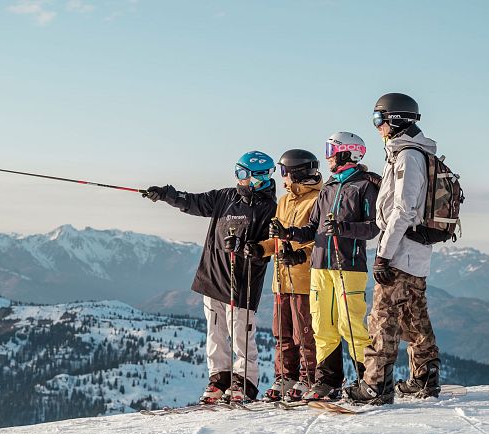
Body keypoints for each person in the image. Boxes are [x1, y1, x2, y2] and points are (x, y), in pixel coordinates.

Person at [144, 151, 277, 403]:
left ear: (259, 176)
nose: (239, 180)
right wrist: (165, 194)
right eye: (237, 173)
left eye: (243, 174)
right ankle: (220, 379)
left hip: (242, 278)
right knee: (215, 331)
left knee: (240, 332)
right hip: (213, 274)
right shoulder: (225, 197)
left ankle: (244, 381)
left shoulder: (269, 207)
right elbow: (192, 201)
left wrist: (248, 246)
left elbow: (268, 246)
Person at [343, 93, 441, 405]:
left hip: (401, 250)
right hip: (414, 251)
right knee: (414, 316)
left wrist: (383, 254)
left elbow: (403, 210)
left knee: (382, 318)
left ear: (395, 119)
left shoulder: (408, 156)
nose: (377, 126)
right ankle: (426, 377)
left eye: (378, 119)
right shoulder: (410, 154)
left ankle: (375, 385)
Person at [270, 132, 380, 401]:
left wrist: (344, 228)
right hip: (319, 266)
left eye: (331, 149)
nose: (327, 155)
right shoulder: (329, 188)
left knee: (350, 324)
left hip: (348, 265)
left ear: (347, 153)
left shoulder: (365, 186)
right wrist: (288, 233)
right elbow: (311, 229)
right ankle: (327, 381)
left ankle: (370, 379)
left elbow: (375, 226)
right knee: (321, 324)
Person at [244, 149, 322, 402]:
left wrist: (301, 256)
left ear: (295, 172)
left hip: (304, 280)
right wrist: (260, 248)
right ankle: (285, 376)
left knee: (305, 334)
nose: (282, 178)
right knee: (282, 333)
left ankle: (309, 377)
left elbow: (320, 240)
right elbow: (276, 239)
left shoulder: (317, 200)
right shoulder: (284, 201)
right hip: (281, 280)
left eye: (283, 172)